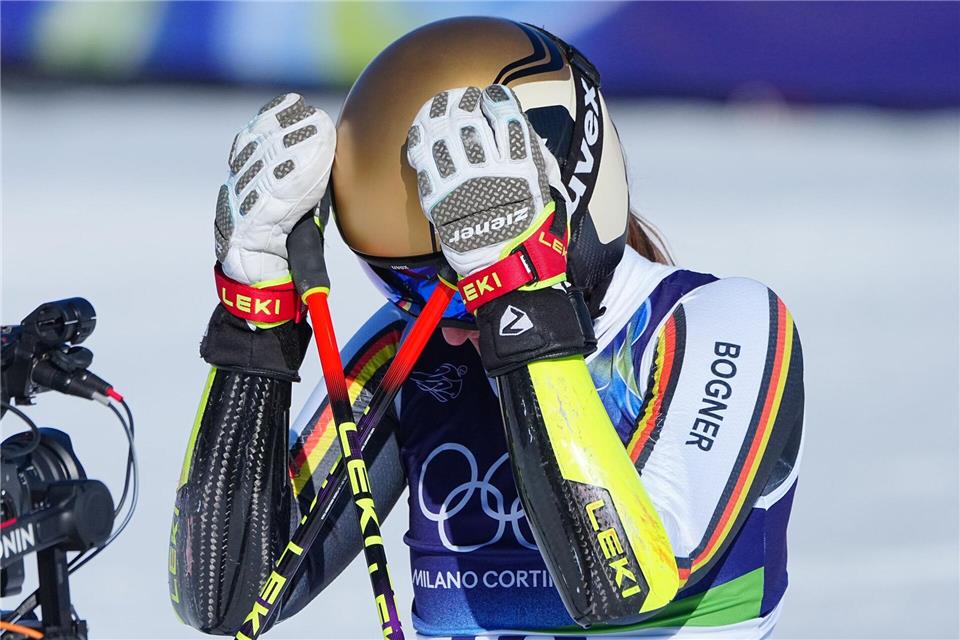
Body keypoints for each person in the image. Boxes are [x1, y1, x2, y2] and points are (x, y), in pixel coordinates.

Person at [169, 17, 804, 640]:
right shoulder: (409, 347)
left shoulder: (725, 321)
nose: (447, 331)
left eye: (464, 288)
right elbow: (227, 600)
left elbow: (625, 583)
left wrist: (518, 304)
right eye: (407, 289)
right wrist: (257, 323)